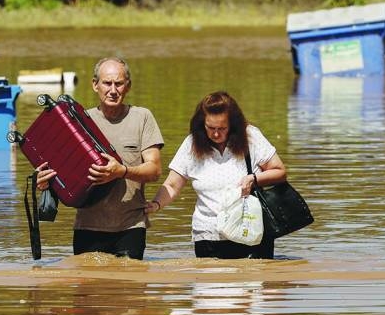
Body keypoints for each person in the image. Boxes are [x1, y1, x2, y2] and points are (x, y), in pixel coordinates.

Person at [36, 57, 163, 259]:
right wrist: (46, 184)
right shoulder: (77, 123)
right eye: (107, 83)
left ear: (128, 86)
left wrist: (123, 171)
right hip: (87, 227)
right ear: (95, 85)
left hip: (131, 227)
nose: (113, 90)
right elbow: (61, 175)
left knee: (131, 289)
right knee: (88, 289)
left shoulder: (142, 117)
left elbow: (155, 170)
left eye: (119, 83)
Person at [145, 91, 286, 259]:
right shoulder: (191, 144)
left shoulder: (251, 137)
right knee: (209, 283)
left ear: (233, 125)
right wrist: (155, 204)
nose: (216, 134)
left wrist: (254, 179)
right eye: (211, 128)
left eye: (222, 128)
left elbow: (280, 171)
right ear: (201, 124)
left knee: (251, 282)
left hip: (249, 231)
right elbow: (172, 185)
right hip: (208, 234)